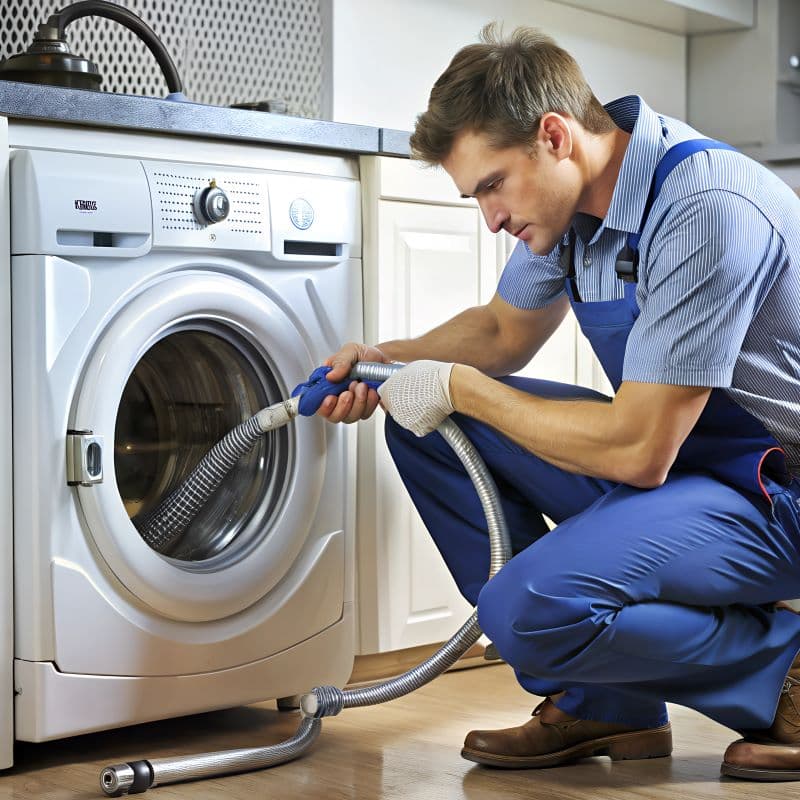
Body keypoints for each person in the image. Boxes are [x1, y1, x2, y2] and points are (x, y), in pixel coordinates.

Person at [319, 24, 800, 781]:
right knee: (432, 429)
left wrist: (461, 386)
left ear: (553, 136)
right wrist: (387, 365)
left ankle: (785, 672)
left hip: (777, 496)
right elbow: (502, 330)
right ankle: (606, 702)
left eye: (492, 184)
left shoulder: (704, 207)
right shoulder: (579, 211)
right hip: (693, 470)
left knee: (523, 612)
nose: (491, 218)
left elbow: (638, 453)